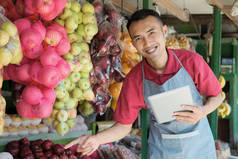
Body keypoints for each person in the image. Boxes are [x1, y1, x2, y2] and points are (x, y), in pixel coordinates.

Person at [65, 9, 223, 159]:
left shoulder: (191, 61)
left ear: (165, 32)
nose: (147, 42)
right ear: (133, 44)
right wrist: (95, 139)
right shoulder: (135, 79)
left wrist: (203, 111)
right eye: (138, 38)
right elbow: (123, 126)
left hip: (199, 149)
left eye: (151, 32)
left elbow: (217, 96)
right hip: (162, 152)